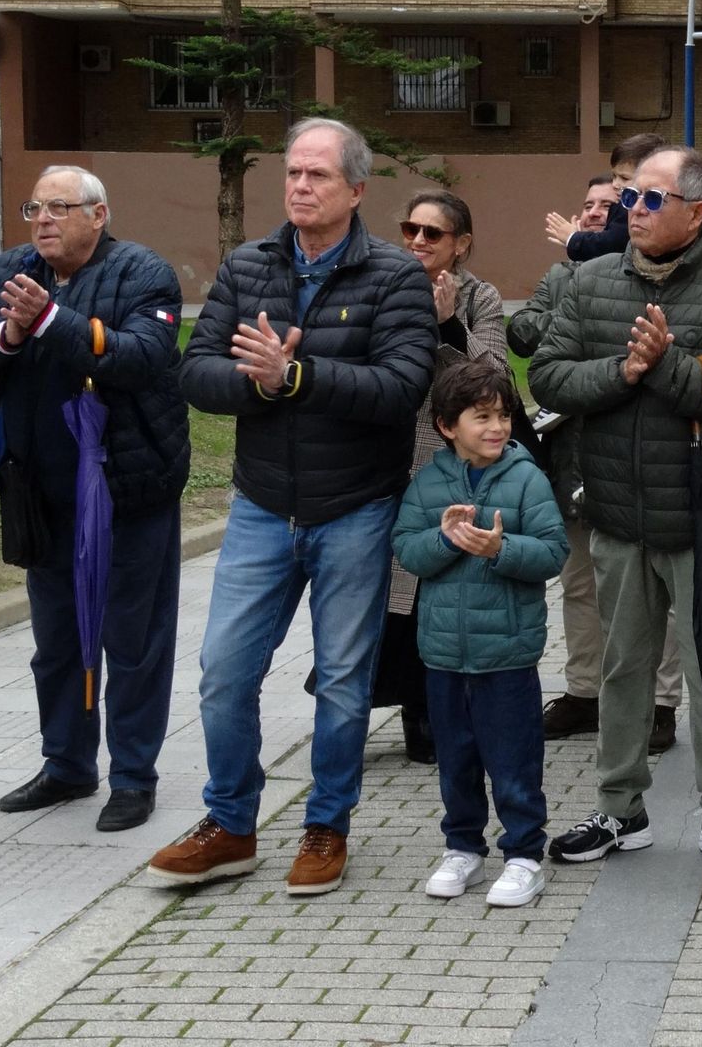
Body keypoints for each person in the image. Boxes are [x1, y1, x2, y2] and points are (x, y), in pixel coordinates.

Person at [147, 117, 437, 896]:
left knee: (343, 680)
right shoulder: (249, 267)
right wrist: (259, 380)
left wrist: (297, 376)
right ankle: (231, 824)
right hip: (262, 507)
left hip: (356, 508)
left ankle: (325, 827)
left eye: (317, 175)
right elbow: (196, 373)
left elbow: (403, 389)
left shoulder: (394, 275)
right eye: (293, 174)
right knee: (222, 672)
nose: (301, 186)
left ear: (355, 189)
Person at [529, 145, 702, 876]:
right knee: (621, 668)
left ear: (696, 212)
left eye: (649, 199)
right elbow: (547, 372)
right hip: (616, 513)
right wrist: (623, 370)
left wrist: (669, 366)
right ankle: (620, 808)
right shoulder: (592, 281)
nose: (631, 211)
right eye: (629, 198)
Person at [0, 166, 189, 833]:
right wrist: (10, 334)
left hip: (128, 495)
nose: (42, 220)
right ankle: (68, 766)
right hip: (40, 497)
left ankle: (133, 778)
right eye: (34, 208)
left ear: (98, 215)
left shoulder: (145, 274)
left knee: (132, 643)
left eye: (59, 208)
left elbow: (141, 357)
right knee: (56, 644)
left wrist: (52, 321)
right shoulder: (9, 273)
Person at [510, 179, 684, 753]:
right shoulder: (561, 277)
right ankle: (584, 692)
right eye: (586, 205)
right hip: (572, 452)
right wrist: (566, 304)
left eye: (605, 208)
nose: (591, 214)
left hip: (642, 455)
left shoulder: (659, 277)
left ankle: (661, 703)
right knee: (580, 582)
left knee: (658, 588)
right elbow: (526, 338)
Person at [392, 358, 569, 908]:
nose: (496, 427)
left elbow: (553, 551)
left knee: (513, 759)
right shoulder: (428, 481)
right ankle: (462, 846)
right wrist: (444, 542)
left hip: (507, 654)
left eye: (503, 415)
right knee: (457, 757)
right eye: (481, 417)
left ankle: (523, 854)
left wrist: (503, 550)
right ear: (447, 426)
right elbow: (405, 548)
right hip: (443, 654)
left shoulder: (525, 477)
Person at [372, 190, 510, 764]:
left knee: (436, 591)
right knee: (388, 597)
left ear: (462, 244)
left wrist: (450, 323)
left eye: (433, 234)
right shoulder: (382, 285)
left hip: (449, 470)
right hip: (384, 462)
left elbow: (497, 376)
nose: (418, 242)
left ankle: (433, 717)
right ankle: (366, 703)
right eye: (411, 230)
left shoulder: (481, 297)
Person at [544, 133, 666, 261]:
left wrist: (574, 239)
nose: (615, 184)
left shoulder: (628, 211)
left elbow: (610, 245)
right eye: (614, 176)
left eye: (624, 178)